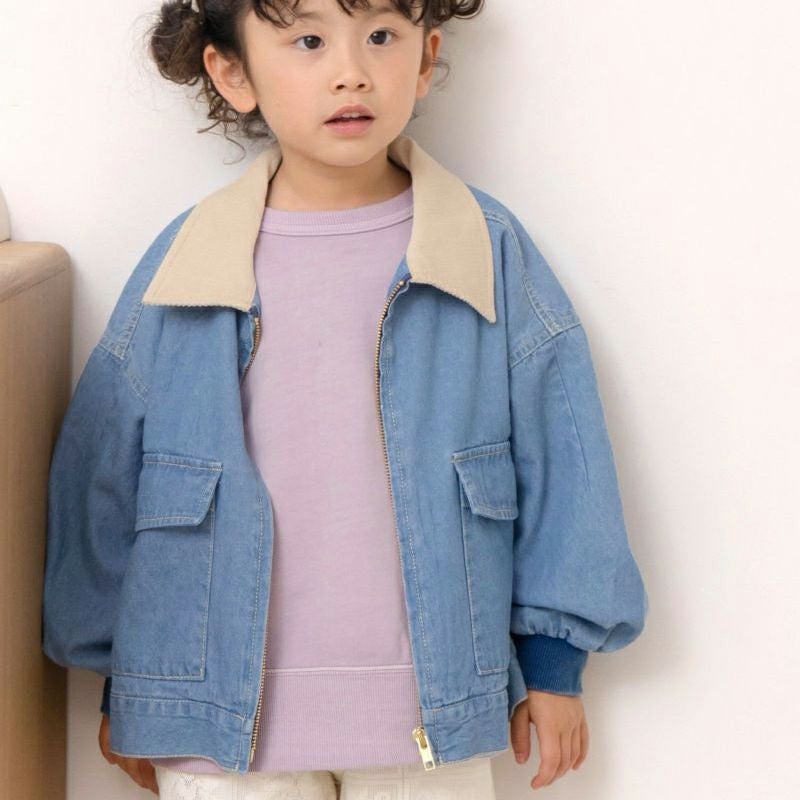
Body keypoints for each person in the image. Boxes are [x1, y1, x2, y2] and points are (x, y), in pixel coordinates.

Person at [41, 0, 649, 798]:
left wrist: (554, 663)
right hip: (213, 718)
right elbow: (103, 479)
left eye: (382, 36)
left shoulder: (485, 248)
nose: (351, 72)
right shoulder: (186, 260)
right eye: (308, 40)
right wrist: (127, 685)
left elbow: (565, 455)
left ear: (425, 58)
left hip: (430, 708)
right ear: (233, 73)